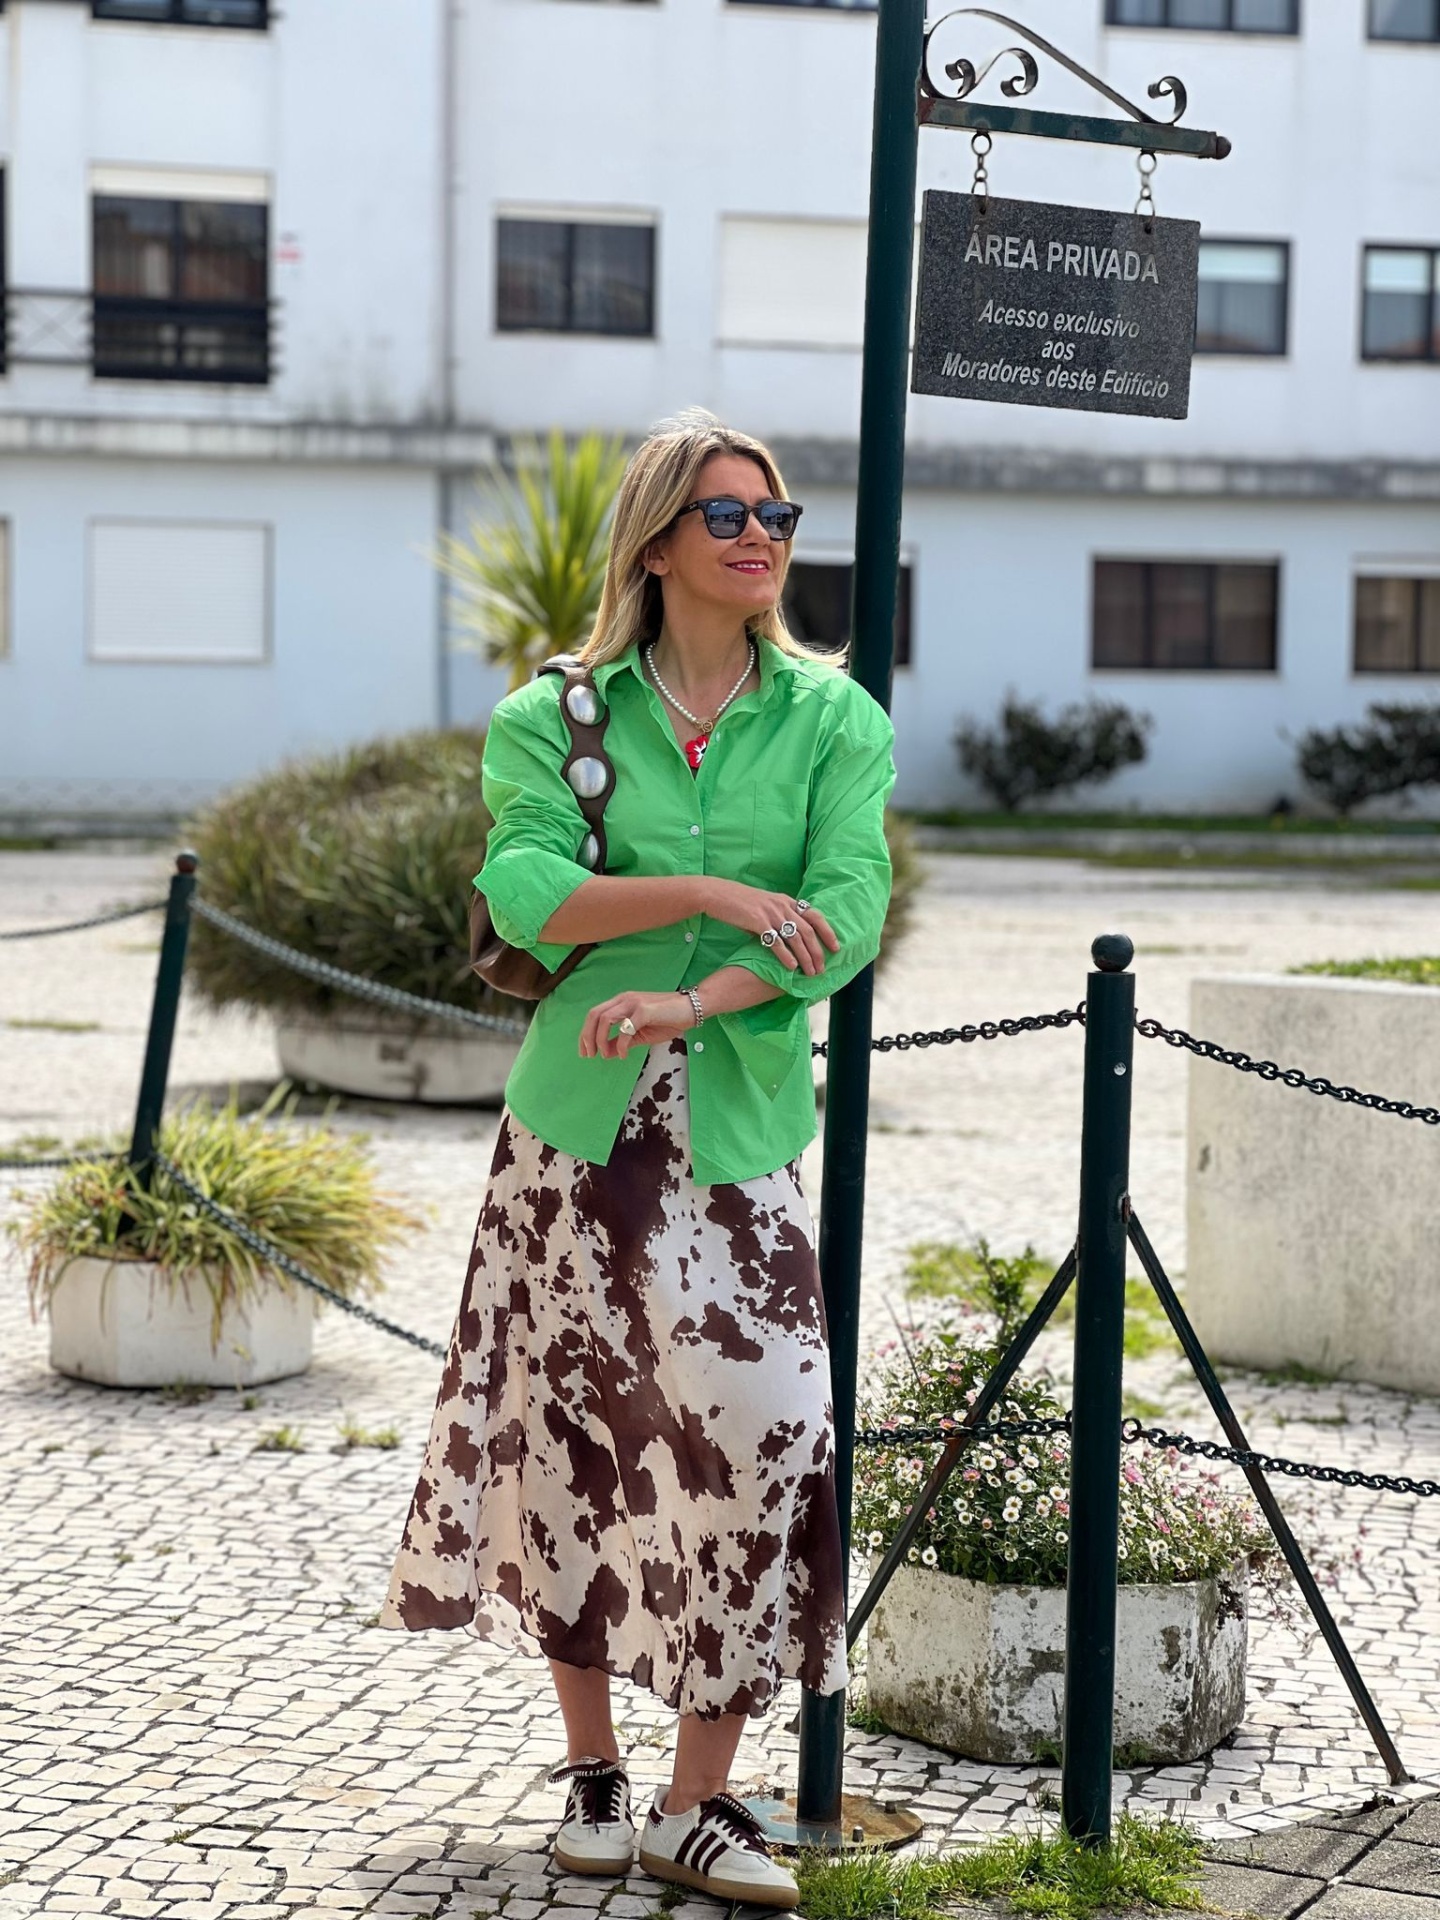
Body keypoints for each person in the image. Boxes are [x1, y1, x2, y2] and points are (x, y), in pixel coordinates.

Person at [378, 408, 896, 1910]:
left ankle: (700, 1802)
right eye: (728, 517)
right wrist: (719, 892)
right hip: (574, 1134)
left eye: (777, 516)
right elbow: (529, 889)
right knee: (575, 1441)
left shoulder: (831, 720)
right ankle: (598, 1774)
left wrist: (698, 988)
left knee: (776, 1435)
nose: (760, 540)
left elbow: (844, 912)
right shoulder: (558, 715)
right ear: (658, 542)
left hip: (732, 1127)